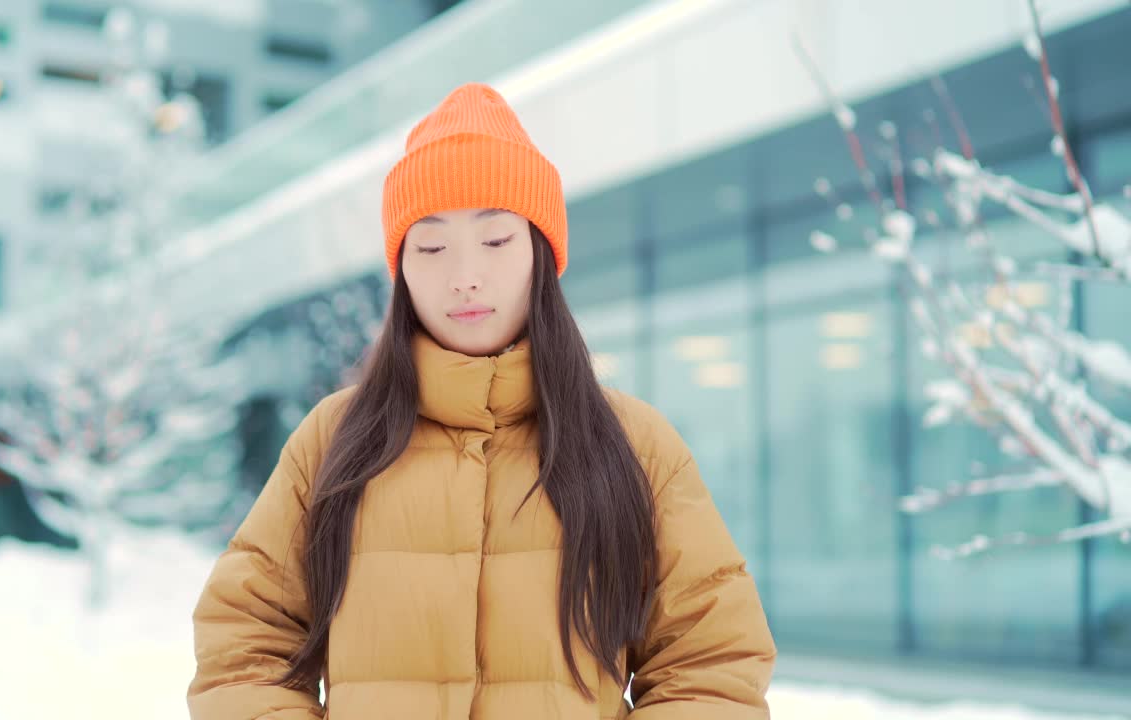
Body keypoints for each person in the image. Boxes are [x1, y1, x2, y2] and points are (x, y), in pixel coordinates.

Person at [188, 82, 776, 720]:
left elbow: (711, 666)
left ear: (540, 257)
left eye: (495, 241)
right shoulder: (333, 440)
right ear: (402, 270)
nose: (464, 274)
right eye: (432, 246)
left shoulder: (634, 444)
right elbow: (244, 647)